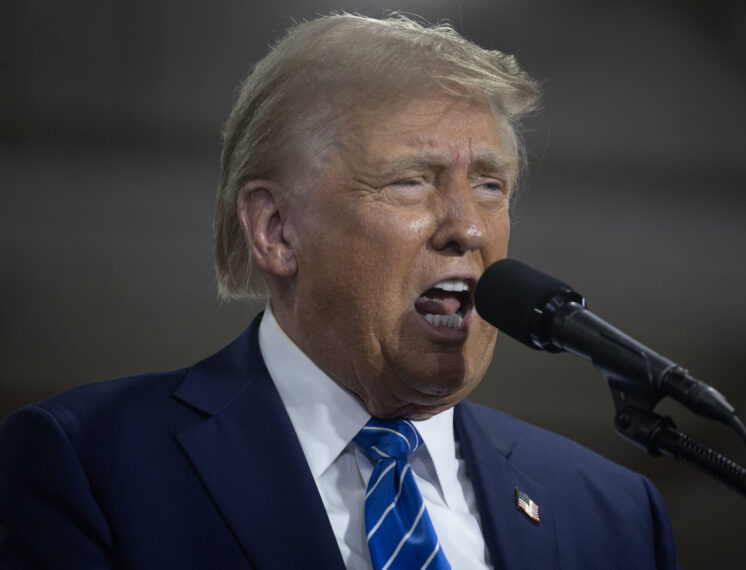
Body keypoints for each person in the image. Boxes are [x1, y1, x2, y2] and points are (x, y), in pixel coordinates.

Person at [0, 13, 677, 570]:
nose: (467, 227)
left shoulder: (612, 515)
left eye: (490, 185)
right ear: (277, 230)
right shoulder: (90, 464)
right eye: (411, 179)